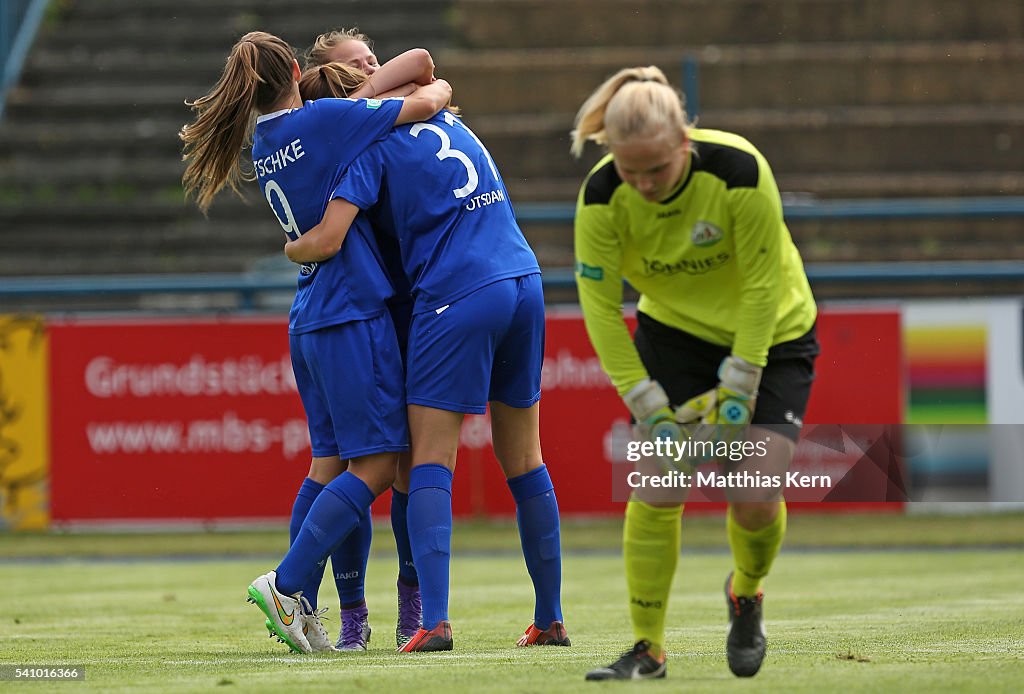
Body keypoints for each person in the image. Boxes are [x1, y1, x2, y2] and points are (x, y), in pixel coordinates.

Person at [179, 30, 452, 654]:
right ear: (299, 73)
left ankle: (312, 605)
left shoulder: (266, 139)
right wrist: (435, 89)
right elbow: (424, 98)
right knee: (381, 464)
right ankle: (289, 583)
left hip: (309, 314)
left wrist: (364, 87)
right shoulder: (327, 122)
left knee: (327, 466)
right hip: (351, 314)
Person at [284, 63, 569, 653]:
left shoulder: (366, 146)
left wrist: (294, 246)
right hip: (523, 278)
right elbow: (423, 69)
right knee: (525, 459)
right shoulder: (444, 119)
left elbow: (332, 236)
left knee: (426, 460)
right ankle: (549, 617)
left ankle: (431, 621)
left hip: (457, 292)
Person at [569, 66, 819, 681]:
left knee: (754, 493)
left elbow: (762, 286)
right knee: (657, 479)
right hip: (674, 336)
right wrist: (646, 399)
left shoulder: (738, 170)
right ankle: (647, 648)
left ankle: (747, 592)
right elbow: (600, 311)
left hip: (773, 333)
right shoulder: (602, 198)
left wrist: (741, 382)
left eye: (657, 169)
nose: (645, 184)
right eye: (632, 172)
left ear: (686, 141)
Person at [299, 28, 432, 651]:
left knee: (401, 467)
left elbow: (423, 66)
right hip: (370, 309)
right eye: (353, 67)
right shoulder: (343, 133)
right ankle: (341, 609)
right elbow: (425, 77)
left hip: (409, 304)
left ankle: (410, 605)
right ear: (322, 82)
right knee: (355, 466)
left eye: (371, 60)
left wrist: (388, 90)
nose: (370, 71)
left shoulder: (370, 121)